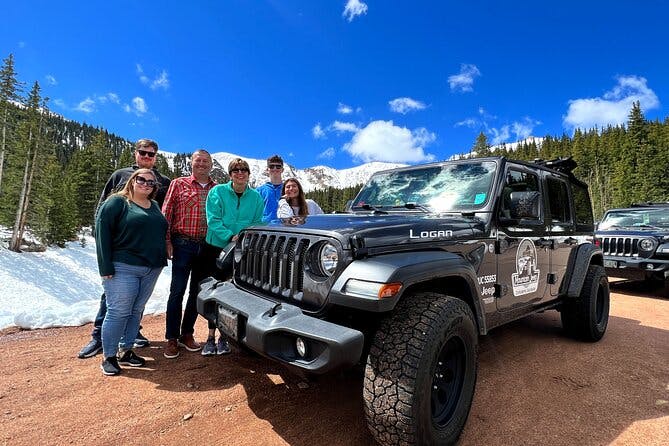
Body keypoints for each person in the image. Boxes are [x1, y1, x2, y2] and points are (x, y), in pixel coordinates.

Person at [78, 138, 171, 359]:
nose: (147, 157)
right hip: (123, 253)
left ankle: (130, 337)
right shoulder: (120, 176)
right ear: (135, 153)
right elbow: (103, 209)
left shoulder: (164, 182)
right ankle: (98, 337)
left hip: (149, 256)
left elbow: (164, 214)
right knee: (113, 299)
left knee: (137, 301)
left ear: (156, 157)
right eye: (143, 153)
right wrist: (104, 246)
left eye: (151, 154)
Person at [95, 169, 168, 375]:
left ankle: (125, 350)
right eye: (141, 179)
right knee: (119, 311)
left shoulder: (153, 205)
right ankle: (108, 356)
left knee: (137, 310)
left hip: (152, 267)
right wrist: (105, 266)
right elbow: (102, 231)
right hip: (123, 266)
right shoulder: (118, 202)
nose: (146, 184)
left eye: (151, 182)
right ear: (132, 180)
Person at [201, 157, 264, 355]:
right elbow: (214, 220)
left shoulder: (255, 197)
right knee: (214, 292)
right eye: (235, 170)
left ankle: (224, 337)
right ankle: (210, 338)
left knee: (235, 294)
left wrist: (244, 238)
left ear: (248, 174)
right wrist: (231, 236)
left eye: (244, 169)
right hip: (216, 249)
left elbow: (258, 222)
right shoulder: (217, 192)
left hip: (242, 251)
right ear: (230, 174)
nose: (240, 173)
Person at [161, 150, 218, 359]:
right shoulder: (179, 184)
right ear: (191, 163)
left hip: (206, 247)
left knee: (196, 293)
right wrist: (167, 240)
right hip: (182, 244)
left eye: (206, 161)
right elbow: (166, 213)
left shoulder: (217, 189)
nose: (202, 164)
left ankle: (187, 334)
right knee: (177, 291)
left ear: (211, 165)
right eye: (198, 161)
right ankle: (171, 338)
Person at [256, 154, 285, 222]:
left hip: (285, 228)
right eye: (271, 166)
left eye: (278, 167)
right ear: (267, 169)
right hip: (265, 228)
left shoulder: (288, 189)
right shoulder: (259, 191)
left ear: (282, 169)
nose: (275, 169)